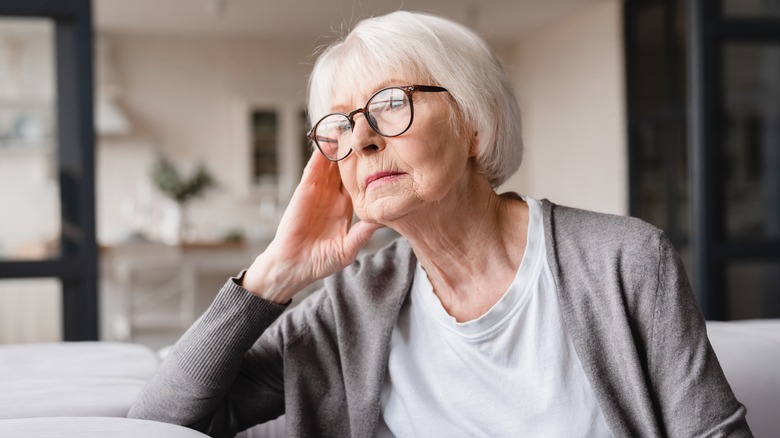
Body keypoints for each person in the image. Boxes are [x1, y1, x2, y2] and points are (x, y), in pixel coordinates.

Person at [128, 11, 751, 438]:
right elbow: (159, 422)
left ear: (473, 124)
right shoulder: (351, 305)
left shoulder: (626, 261)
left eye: (391, 104)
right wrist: (273, 275)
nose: (363, 138)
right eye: (340, 126)